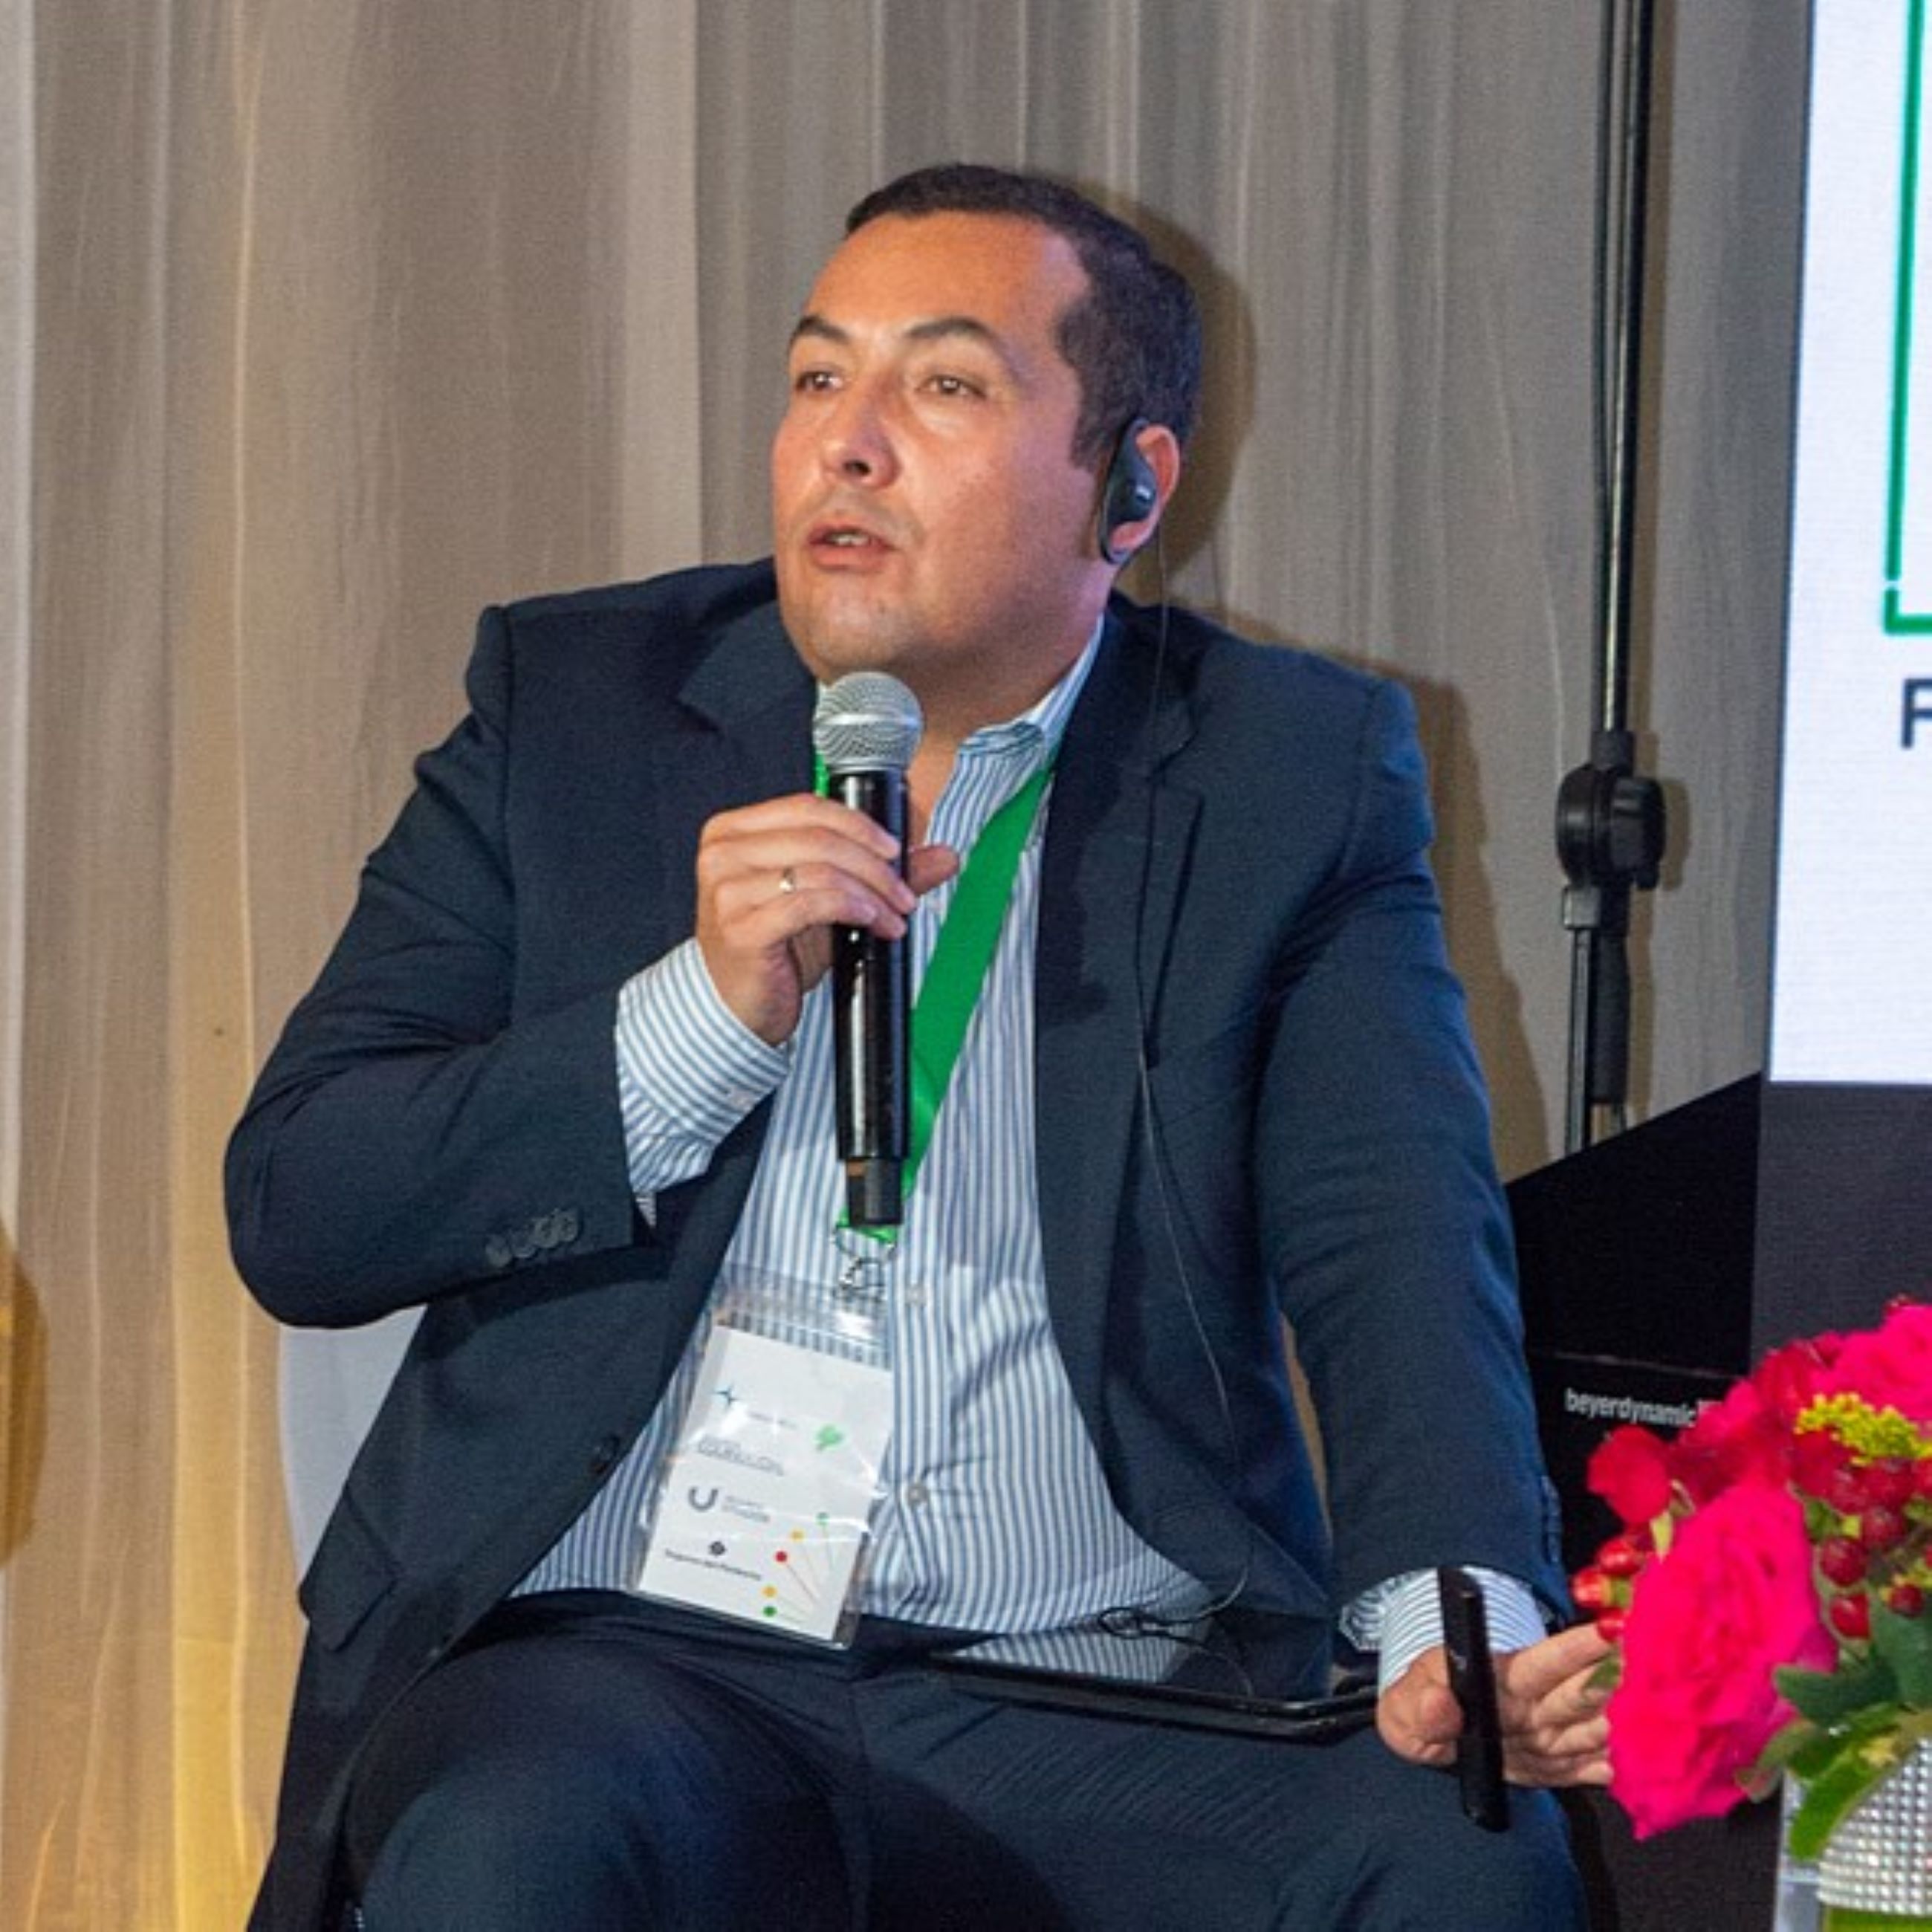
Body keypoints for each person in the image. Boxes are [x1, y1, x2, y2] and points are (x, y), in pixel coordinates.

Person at [228, 163, 1612, 1932]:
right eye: (819, 376)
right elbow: (303, 1202)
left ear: (1128, 487)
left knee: (1460, 1862)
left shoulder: (1285, 769)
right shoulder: (573, 708)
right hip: (629, 1668)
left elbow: (1396, 1240)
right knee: (519, 1841)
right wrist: (692, 1022)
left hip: (1090, 1682)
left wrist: (1448, 1628)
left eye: (943, 383)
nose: (848, 443)